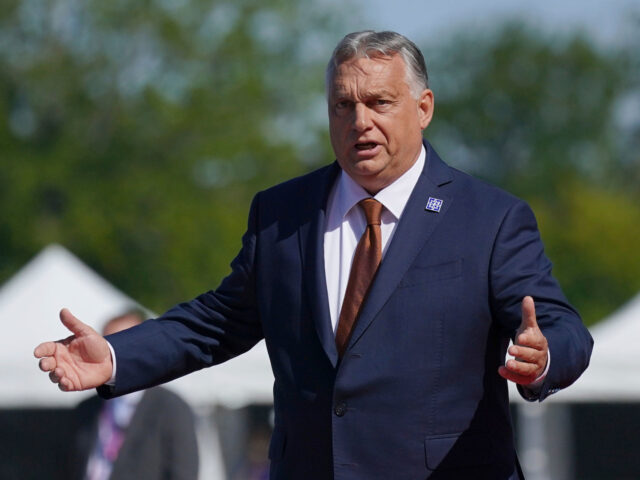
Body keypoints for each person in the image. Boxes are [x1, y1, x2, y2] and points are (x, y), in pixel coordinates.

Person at [35, 31, 593, 479]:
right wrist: (113, 356)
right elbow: (216, 322)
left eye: (379, 103)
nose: (360, 123)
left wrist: (542, 358)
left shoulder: (489, 218)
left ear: (423, 107)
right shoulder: (282, 213)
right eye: (343, 106)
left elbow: (563, 327)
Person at [68, 311, 199, 480]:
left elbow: (183, 472)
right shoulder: (87, 409)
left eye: (122, 346)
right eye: (108, 346)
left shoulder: (170, 406)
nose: (114, 355)